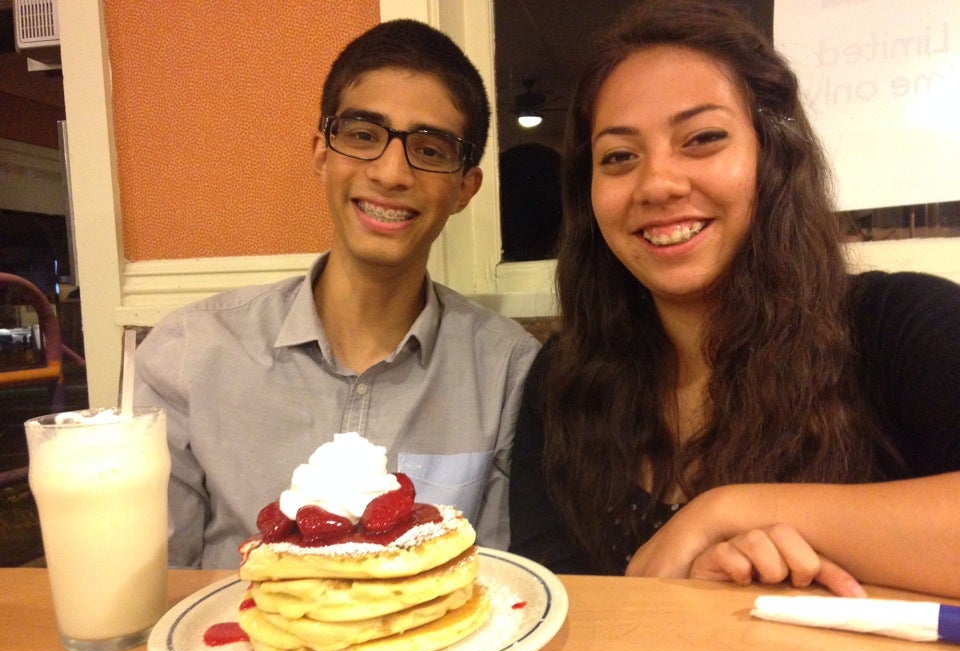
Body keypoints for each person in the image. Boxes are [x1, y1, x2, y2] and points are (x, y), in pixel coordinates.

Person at [509, 0, 960, 599]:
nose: (658, 183)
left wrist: (726, 512)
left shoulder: (900, 326)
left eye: (702, 139)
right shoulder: (566, 379)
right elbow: (552, 605)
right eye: (619, 156)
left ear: (772, 158)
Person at [135, 19, 539, 568]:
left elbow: (497, 584)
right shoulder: (188, 353)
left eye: (429, 148)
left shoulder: (508, 370)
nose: (392, 172)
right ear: (323, 154)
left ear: (465, 188)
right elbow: (156, 591)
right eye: (363, 136)